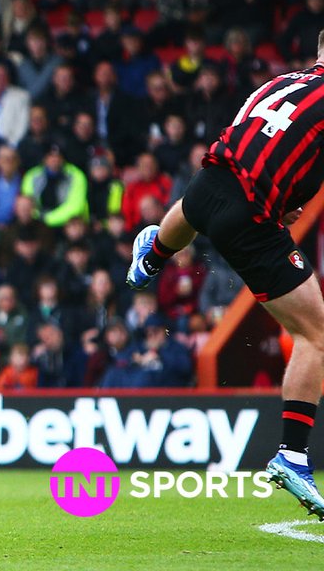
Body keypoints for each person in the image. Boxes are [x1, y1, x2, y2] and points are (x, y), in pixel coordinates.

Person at [127, 31, 324, 519]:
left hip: (207, 184)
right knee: (317, 335)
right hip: (249, 215)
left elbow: (250, 133)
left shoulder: (284, 81)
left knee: (195, 207)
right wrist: (282, 201)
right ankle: (293, 456)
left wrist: (286, 194)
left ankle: (153, 252)